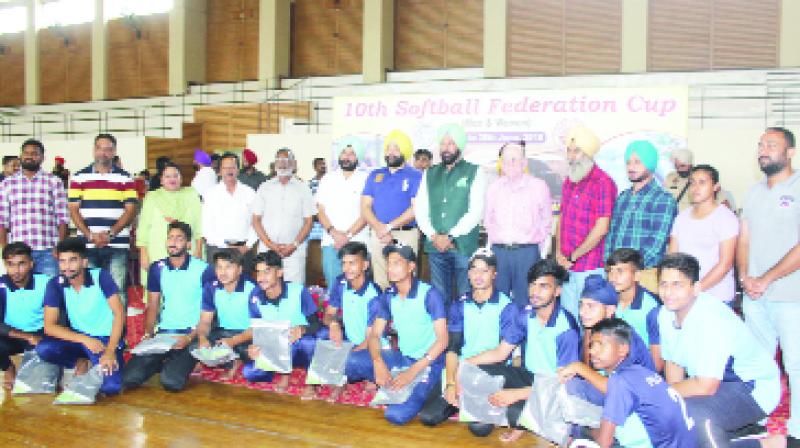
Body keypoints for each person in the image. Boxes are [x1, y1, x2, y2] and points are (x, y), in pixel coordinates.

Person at [659, 253, 785, 448]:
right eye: (664, 284)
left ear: (696, 288)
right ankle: (757, 440)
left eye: (677, 285)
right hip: (716, 385)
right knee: (671, 414)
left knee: (692, 415)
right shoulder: (665, 314)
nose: (668, 292)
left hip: (751, 387)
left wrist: (661, 394)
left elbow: (705, 386)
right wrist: (669, 399)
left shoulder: (712, 320)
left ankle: (764, 442)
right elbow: (674, 361)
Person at [465, 258, 580, 441]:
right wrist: (464, 365)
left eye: (544, 286)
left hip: (552, 389)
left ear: (557, 291)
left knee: (513, 412)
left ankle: (524, 420)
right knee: (477, 373)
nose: (535, 292)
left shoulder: (566, 329)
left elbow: (561, 383)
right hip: (529, 377)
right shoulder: (527, 314)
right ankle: (522, 418)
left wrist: (516, 394)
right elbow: (501, 352)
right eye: (533, 285)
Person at [738, 127, 800, 447]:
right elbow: (744, 238)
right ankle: (757, 421)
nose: (763, 149)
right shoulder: (753, 192)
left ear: (789, 153)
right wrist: (744, 276)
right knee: (758, 362)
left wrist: (768, 278)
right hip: (754, 295)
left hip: (791, 297)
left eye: (771, 145)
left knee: (796, 363)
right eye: (760, 144)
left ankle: (798, 431)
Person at [346, 242, 448, 425]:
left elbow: (443, 340)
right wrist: (378, 363)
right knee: (351, 361)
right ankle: (392, 379)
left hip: (428, 363)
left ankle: (427, 388)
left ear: (411, 267)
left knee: (395, 415)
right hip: (402, 358)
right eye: (389, 263)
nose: (390, 268)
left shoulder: (429, 294)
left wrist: (412, 372)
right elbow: (375, 335)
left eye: (397, 263)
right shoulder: (389, 295)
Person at [418, 248, 516, 429]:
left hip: (490, 370)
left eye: (484, 270)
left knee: (479, 429)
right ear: (468, 273)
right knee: (428, 416)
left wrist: (464, 367)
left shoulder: (507, 306)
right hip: (461, 370)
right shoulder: (460, 304)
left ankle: (469, 400)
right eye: (474, 270)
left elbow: (500, 354)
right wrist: (450, 383)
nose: (478, 275)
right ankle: (460, 400)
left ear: (494, 274)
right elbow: (453, 347)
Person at [574, 318, 697, 448]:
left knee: (580, 439)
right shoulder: (642, 371)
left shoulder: (620, 382)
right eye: (591, 345)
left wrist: (587, 432)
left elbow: (604, 443)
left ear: (623, 349)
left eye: (600, 344)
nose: (592, 351)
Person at [123, 222, 214, 392]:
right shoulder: (157, 268)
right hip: (164, 335)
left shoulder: (204, 270)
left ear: (188, 244)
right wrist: (148, 334)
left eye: (179, 238)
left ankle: (181, 361)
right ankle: (164, 360)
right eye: (170, 238)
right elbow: (153, 306)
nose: (173, 242)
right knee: (129, 378)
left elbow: (209, 313)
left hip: (190, 336)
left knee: (171, 382)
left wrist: (189, 338)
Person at [36, 237, 126, 397]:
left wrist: (110, 351)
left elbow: (119, 313)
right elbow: (49, 326)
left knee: (111, 388)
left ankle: (101, 360)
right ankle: (80, 361)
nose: (66, 267)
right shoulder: (55, 284)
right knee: (44, 348)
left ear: (84, 262)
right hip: (79, 339)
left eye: (72, 260)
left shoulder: (101, 276)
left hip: (105, 340)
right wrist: (84, 339)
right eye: (62, 261)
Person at [556, 275, 657, 410]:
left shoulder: (619, 336)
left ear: (610, 310)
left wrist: (579, 367)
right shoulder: (589, 330)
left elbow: (618, 389)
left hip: (637, 401)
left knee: (570, 388)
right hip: (611, 393)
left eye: (590, 306)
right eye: (581, 305)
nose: (582, 312)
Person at [416, 123, 487, 304]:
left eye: (451, 143)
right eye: (443, 143)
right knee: (439, 298)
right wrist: (433, 235)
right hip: (435, 247)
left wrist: (450, 236)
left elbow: (475, 212)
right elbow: (421, 208)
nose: (446, 148)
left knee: (466, 296)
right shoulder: (430, 173)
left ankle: (463, 333)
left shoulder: (475, 171)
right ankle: (444, 332)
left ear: (460, 146)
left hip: (462, 247)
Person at [68, 134, 138, 307]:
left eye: (108, 149)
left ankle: (119, 331)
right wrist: (89, 235)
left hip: (117, 244)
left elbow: (131, 211)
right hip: (87, 244)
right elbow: (73, 210)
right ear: (94, 150)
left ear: (114, 152)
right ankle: (93, 331)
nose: (103, 153)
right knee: (90, 289)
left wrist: (110, 234)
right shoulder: (78, 177)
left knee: (118, 289)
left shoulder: (126, 178)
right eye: (100, 148)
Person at [556, 126, 617, 319]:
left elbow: (602, 228)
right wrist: (558, 253)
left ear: (588, 154)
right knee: (569, 321)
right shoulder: (569, 181)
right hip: (566, 267)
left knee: (591, 323)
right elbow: (562, 219)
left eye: (577, 151)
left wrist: (573, 256)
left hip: (590, 268)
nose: (572, 156)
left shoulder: (603, 182)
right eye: (569, 150)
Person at [243, 250, 320, 398]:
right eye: (258, 273)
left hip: (298, 345)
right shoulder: (255, 296)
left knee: (311, 342)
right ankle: (283, 371)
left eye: (267, 272)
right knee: (249, 372)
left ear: (279, 272)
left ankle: (312, 383)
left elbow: (316, 324)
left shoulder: (298, 291)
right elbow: (257, 329)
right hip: (275, 347)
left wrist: (302, 330)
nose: (261, 278)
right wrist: (254, 347)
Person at [484, 141, 552, 306]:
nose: (510, 164)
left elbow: (546, 222)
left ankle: (524, 332)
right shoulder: (494, 188)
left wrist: (541, 254)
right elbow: (488, 220)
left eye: (515, 159)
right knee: (498, 302)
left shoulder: (539, 187)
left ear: (524, 163)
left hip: (526, 253)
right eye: (506, 160)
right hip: (499, 253)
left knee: (527, 302)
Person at [605, 140, 677, 292]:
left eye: (637, 162)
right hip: (615, 276)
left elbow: (656, 244)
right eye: (628, 162)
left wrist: (629, 270)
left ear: (650, 165)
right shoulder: (623, 197)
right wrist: (611, 266)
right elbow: (611, 235)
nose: (631, 167)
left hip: (644, 275)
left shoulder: (663, 199)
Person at [361, 130, 422, 289]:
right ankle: (383, 313)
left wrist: (388, 227)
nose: (391, 152)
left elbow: (415, 209)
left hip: (405, 234)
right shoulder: (375, 175)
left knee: (405, 281)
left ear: (405, 150)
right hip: (378, 235)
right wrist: (379, 228)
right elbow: (365, 206)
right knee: (381, 282)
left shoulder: (416, 175)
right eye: (389, 148)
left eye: (396, 148)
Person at [669, 164, 739, 303]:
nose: (695, 187)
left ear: (716, 187)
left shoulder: (726, 218)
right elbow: (672, 258)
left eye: (702, 182)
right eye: (692, 182)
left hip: (716, 297)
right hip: (684, 296)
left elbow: (725, 263)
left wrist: (696, 289)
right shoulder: (681, 217)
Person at [323, 241, 383, 402]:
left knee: (350, 361)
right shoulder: (341, 282)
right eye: (343, 263)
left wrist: (344, 355)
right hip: (349, 342)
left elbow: (371, 339)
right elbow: (328, 315)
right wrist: (334, 324)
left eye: (352, 263)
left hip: (371, 347)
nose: (346, 268)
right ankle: (347, 373)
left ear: (365, 265)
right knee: (321, 336)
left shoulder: (374, 295)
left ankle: (350, 375)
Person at [0, 139, 68, 278]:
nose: (29, 156)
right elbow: (2, 220)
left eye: (34, 153)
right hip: (18, 254)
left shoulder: (54, 181)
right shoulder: (7, 184)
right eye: (26, 153)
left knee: (50, 294)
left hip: (48, 252)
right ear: (21, 156)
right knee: (21, 295)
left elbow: (62, 218)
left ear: (42, 157)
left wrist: (59, 247)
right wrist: (5, 250)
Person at [252, 148, 315, 284]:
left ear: (293, 163)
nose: (282, 164)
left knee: (294, 293)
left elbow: (309, 222)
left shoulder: (304, 188)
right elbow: (256, 220)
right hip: (267, 251)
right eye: (278, 160)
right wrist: (270, 245)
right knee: (267, 290)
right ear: (275, 165)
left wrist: (294, 245)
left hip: (294, 252)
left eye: (286, 160)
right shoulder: (264, 187)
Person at [316, 137, 369, 291]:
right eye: (344, 153)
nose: (347, 157)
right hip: (331, 243)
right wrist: (334, 233)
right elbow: (320, 211)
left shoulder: (366, 179)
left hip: (358, 242)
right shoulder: (327, 179)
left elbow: (367, 212)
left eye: (352, 153)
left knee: (359, 290)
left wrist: (348, 236)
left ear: (358, 157)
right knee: (334, 290)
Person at [137, 162, 203, 286]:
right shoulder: (152, 197)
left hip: (188, 250)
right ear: (161, 180)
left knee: (187, 287)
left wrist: (199, 249)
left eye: (175, 175)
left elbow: (200, 225)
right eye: (168, 176)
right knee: (158, 290)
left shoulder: (191, 194)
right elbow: (143, 228)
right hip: (157, 252)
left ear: (181, 178)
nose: (172, 179)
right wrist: (143, 253)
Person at [196, 249, 257, 380]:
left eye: (228, 267)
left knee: (252, 352)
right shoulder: (211, 287)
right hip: (223, 332)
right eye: (219, 267)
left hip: (247, 335)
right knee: (195, 344)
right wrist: (202, 339)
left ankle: (235, 361)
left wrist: (233, 341)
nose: (223, 272)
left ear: (240, 269)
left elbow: (258, 327)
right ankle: (230, 360)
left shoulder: (252, 288)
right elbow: (205, 321)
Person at [605, 248, 663, 371]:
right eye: (610, 271)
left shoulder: (652, 308)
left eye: (620, 271)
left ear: (636, 275)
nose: (612, 277)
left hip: (638, 373)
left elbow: (657, 365)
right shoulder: (607, 301)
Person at [0, 242, 48, 388]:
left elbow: (59, 317)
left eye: (21, 264)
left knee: (53, 348)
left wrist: (42, 337)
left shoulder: (46, 282)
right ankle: (8, 367)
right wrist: (27, 336)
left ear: (31, 264)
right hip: (11, 336)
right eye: (10, 264)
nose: (16, 270)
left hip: (41, 334)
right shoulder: (1, 285)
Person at [201, 152, 257, 273]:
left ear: (238, 170)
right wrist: (226, 246)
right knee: (218, 288)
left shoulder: (250, 193)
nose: (229, 170)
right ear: (219, 171)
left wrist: (248, 245)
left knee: (244, 287)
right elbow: (206, 227)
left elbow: (256, 222)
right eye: (225, 168)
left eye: (232, 167)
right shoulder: (210, 194)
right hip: (218, 249)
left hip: (244, 250)